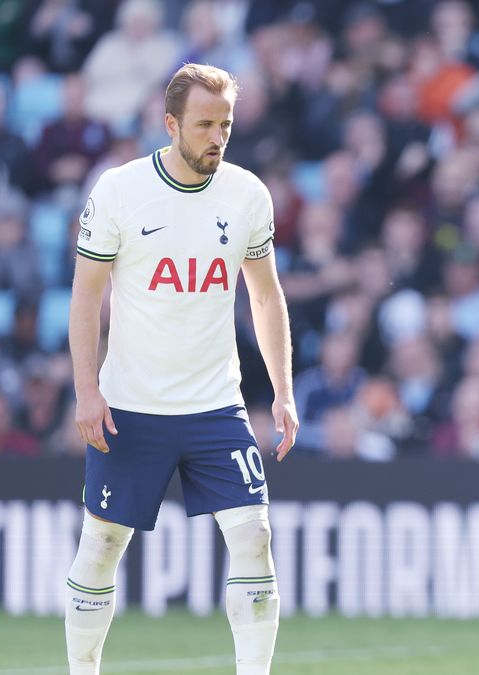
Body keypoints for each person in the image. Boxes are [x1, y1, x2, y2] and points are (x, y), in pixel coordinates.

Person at [65, 64, 298, 674]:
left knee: (254, 535)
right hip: (130, 406)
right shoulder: (119, 190)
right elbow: (86, 295)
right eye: (204, 125)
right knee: (102, 546)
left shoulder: (248, 195)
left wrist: (282, 391)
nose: (216, 136)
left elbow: (266, 297)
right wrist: (87, 390)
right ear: (171, 124)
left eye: (225, 124)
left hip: (215, 407)